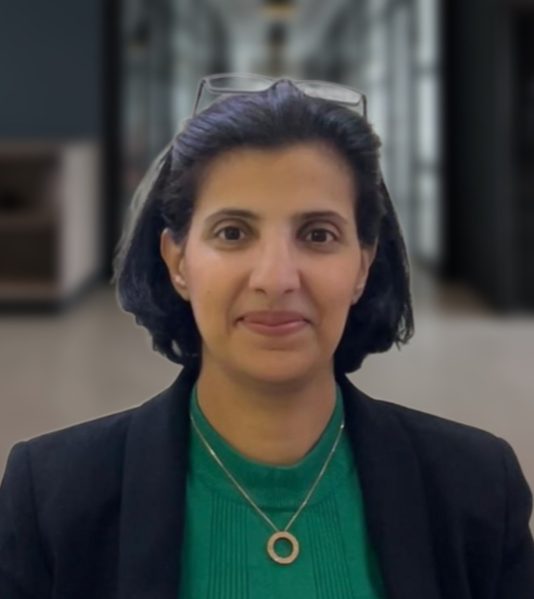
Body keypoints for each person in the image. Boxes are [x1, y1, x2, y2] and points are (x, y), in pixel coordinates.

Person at [0, 74, 533, 599]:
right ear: (178, 261)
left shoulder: (479, 488)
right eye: (233, 233)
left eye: (318, 234)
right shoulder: (51, 498)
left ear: (362, 266)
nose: (276, 279)